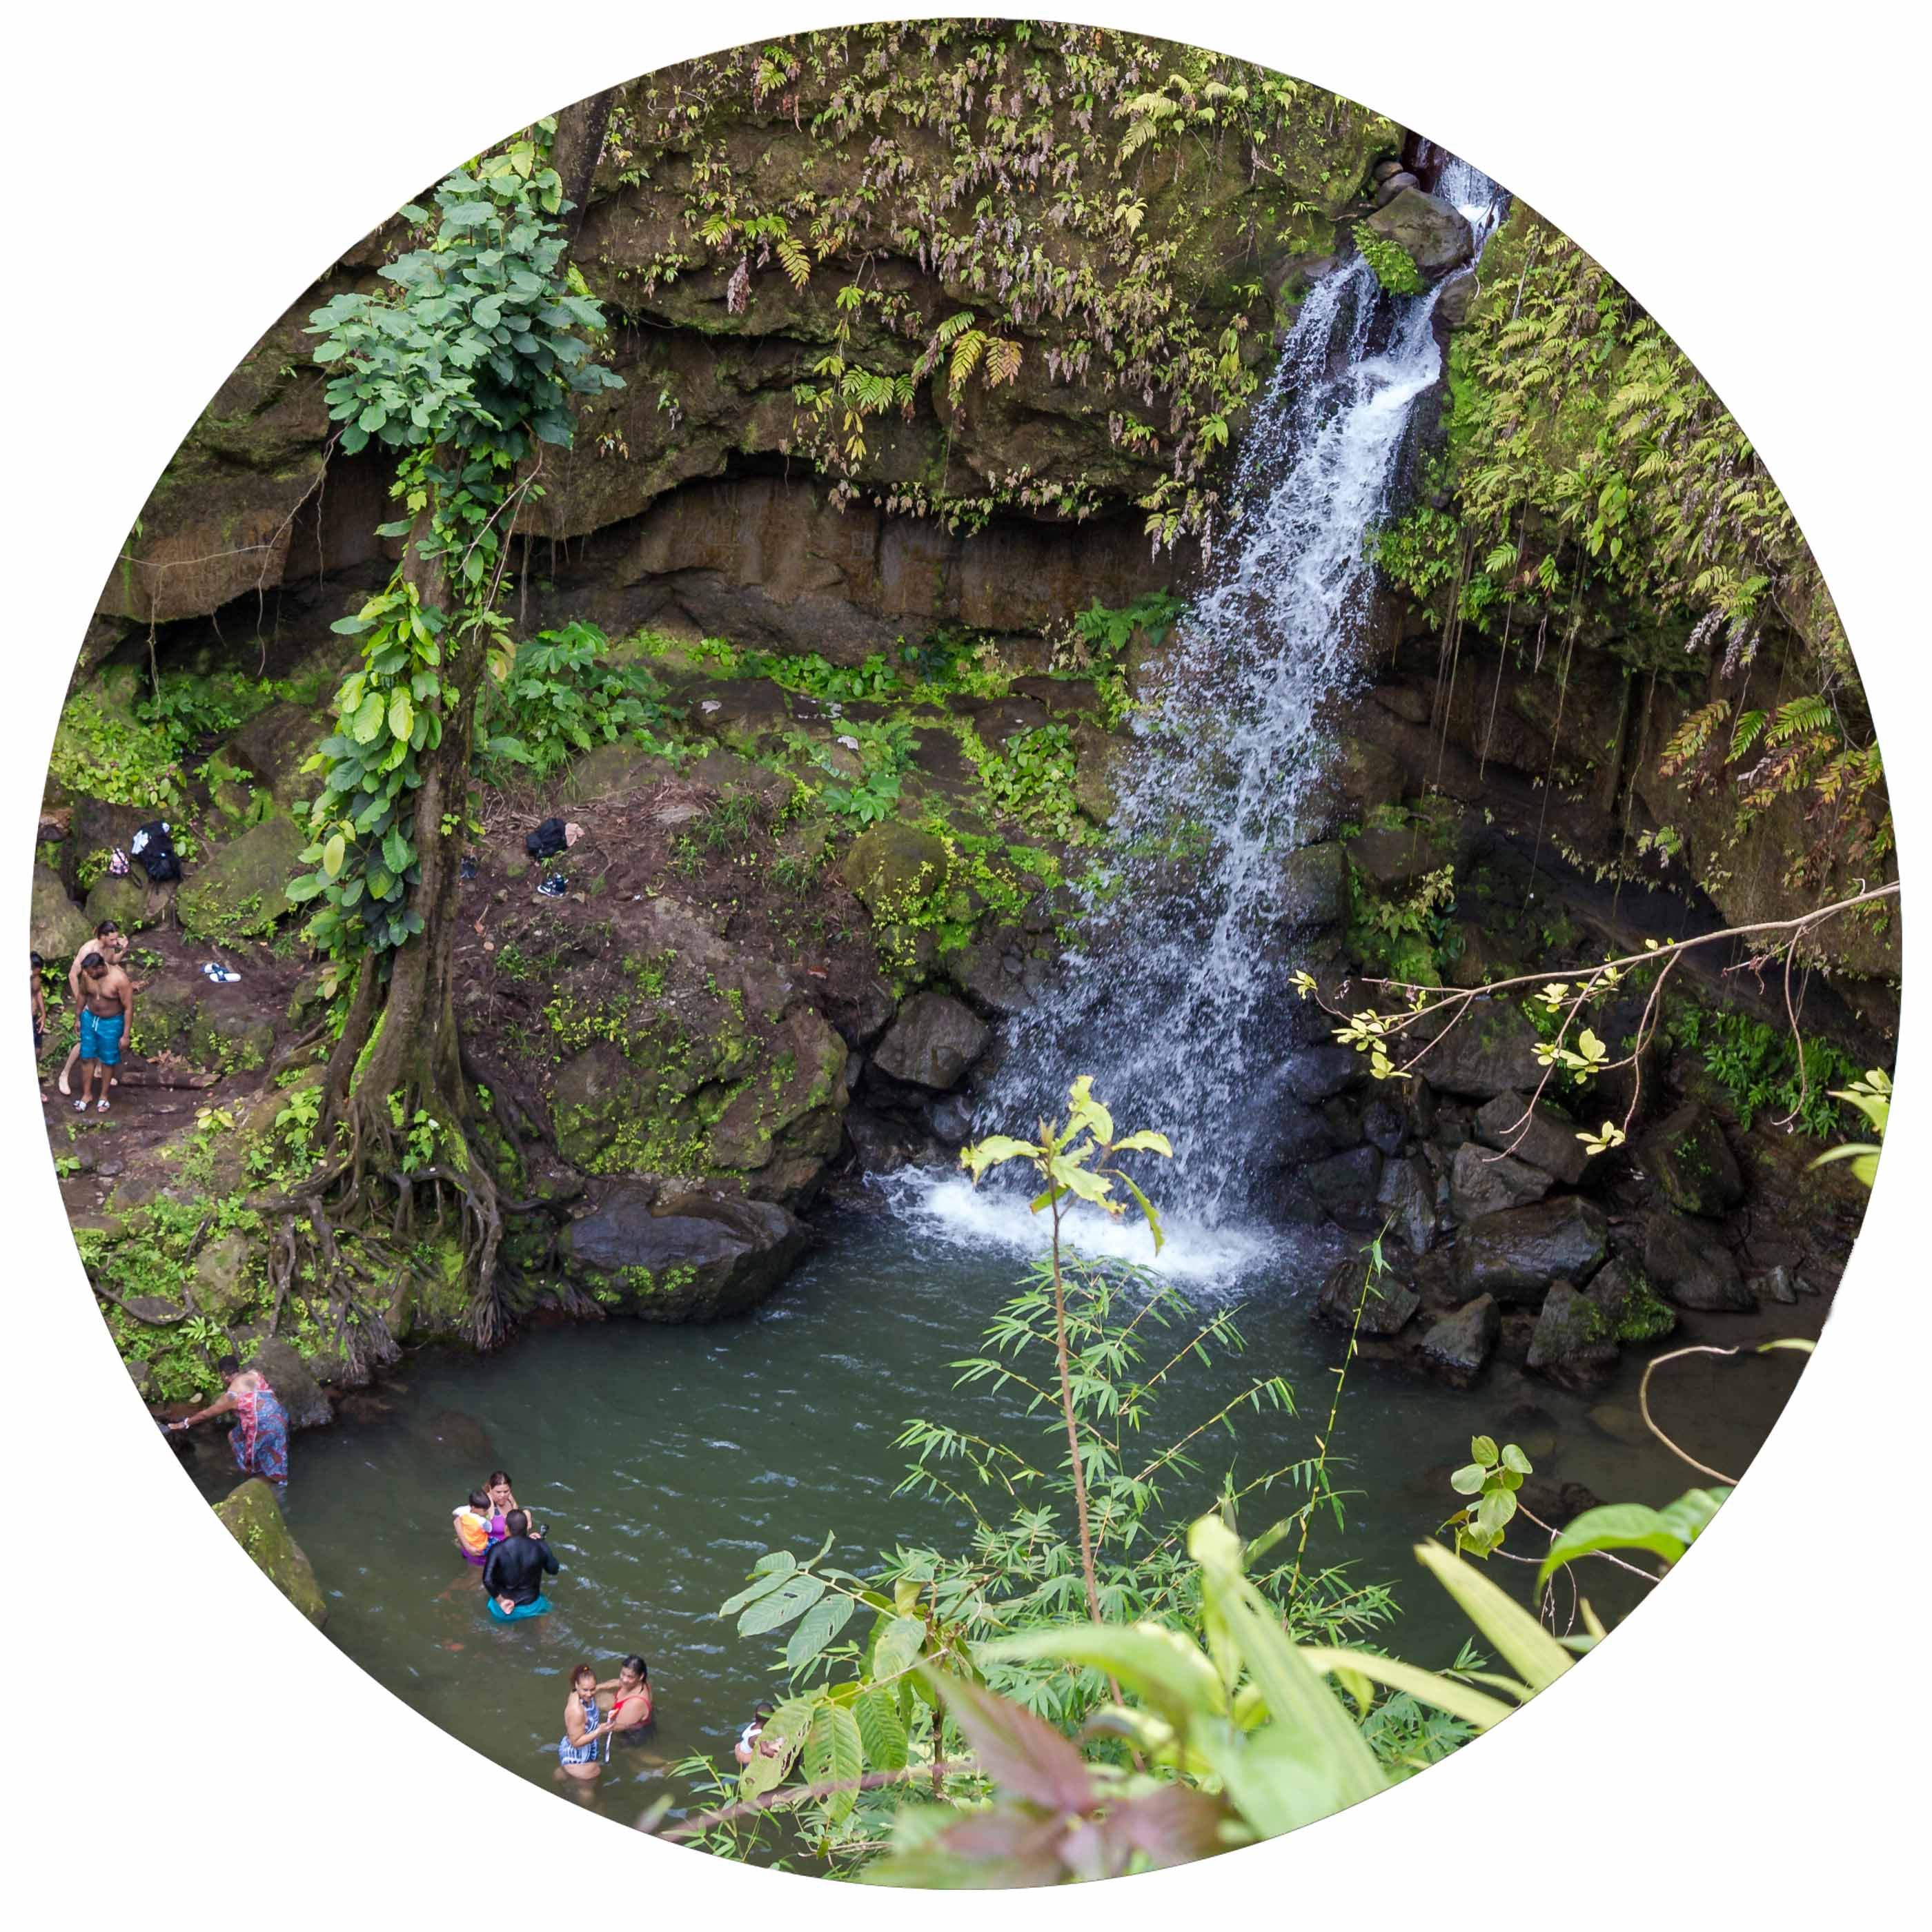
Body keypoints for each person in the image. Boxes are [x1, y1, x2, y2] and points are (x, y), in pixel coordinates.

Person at [167, 1355, 290, 1489]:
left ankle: (267, 1487)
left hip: (262, 1426)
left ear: (224, 1374)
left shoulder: (232, 1396)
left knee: (267, 1471)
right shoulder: (255, 1374)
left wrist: (184, 1423)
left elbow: (206, 1414)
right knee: (235, 1436)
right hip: (280, 1417)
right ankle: (254, 1469)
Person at [58, 922, 128, 1097]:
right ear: (102, 936)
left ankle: (99, 1069)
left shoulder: (109, 948)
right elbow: (73, 975)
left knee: (105, 1039)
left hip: (103, 996)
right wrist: (80, 1003)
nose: (115, 941)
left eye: (116, 938)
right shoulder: (88, 951)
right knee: (85, 1043)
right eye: (112, 939)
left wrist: (123, 950)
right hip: (89, 997)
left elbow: (112, 963)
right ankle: (65, 1073)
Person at [72, 947, 134, 1114]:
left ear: (100, 967)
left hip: (112, 1021)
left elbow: (128, 1008)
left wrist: (125, 1035)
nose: (89, 975)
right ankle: (86, 1095)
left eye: (91, 972)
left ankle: (103, 1096)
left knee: (108, 1059)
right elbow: (83, 995)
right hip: (90, 1018)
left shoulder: (120, 979)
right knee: (86, 1056)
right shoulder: (87, 974)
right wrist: (78, 1017)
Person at [480, 1508, 558, 1621]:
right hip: (532, 1605)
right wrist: (543, 1544)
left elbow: (487, 1580)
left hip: (504, 1609)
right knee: (543, 1626)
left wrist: (501, 1601)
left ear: (506, 1528)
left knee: (503, 1636)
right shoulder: (539, 1546)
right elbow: (553, 1569)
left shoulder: (497, 1549)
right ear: (527, 1528)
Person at [557, 1664, 615, 1782]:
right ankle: (565, 1771)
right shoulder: (577, 1711)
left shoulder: (580, 1693)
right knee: (588, 1789)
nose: (589, 1694)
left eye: (593, 1689)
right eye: (585, 1690)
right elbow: (576, 1742)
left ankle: (562, 1774)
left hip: (587, 1749)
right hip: (576, 1757)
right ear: (576, 1685)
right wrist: (599, 1731)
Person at [596, 1655, 653, 1740]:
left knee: (600, 1701)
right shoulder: (636, 1683)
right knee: (599, 1697)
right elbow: (618, 1682)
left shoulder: (635, 1703)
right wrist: (596, 1688)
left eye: (630, 1677)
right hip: (627, 1713)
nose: (624, 1680)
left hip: (630, 1737)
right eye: (623, 1674)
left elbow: (616, 1727)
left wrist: (595, 1729)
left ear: (641, 1677)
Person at [453, 1488, 492, 1566]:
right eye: (484, 1510)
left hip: (468, 1542)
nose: (486, 1512)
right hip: (480, 1548)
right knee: (496, 1543)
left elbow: (454, 1513)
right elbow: (490, 1529)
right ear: (474, 1508)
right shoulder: (481, 1521)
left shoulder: (462, 1511)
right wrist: (488, 1518)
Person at [734, 1702, 776, 1768]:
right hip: (747, 1762)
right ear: (770, 1720)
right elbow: (765, 1750)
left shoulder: (753, 1725)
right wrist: (778, 1754)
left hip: (742, 1750)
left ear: (754, 1715)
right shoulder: (758, 1736)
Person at [484, 1470, 520, 1545]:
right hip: (490, 1551)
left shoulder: (509, 1498)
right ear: (490, 1488)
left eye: (506, 1491)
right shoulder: (485, 1502)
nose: (502, 1495)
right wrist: (468, 1547)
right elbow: (460, 1520)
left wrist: (527, 1514)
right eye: (498, 1492)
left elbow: (519, 1517)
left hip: (509, 1547)